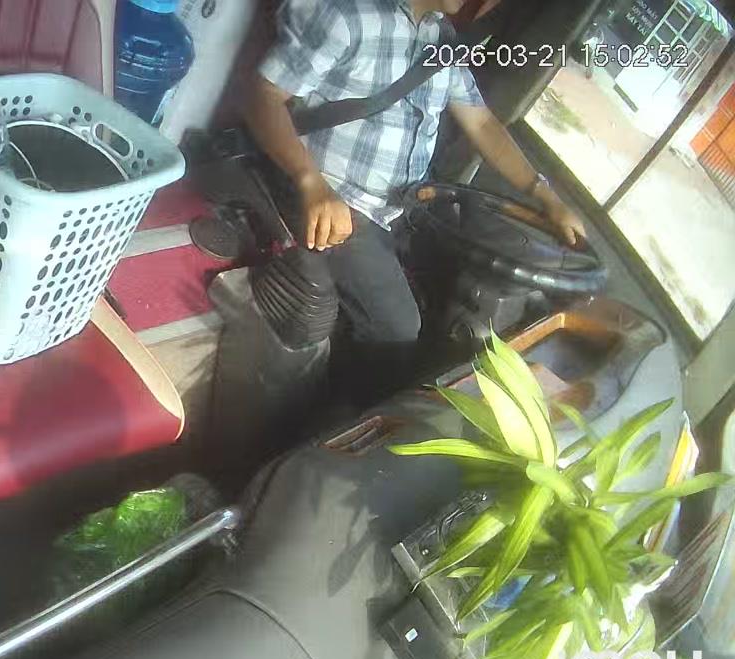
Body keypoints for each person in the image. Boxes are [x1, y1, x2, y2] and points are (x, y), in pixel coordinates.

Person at [245, 0, 587, 405]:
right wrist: (310, 182)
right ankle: (344, 420)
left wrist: (546, 195)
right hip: (336, 200)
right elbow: (262, 96)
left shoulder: (443, 40)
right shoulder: (350, 17)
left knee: (463, 284)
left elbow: (482, 123)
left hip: (402, 207)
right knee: (397, 329)